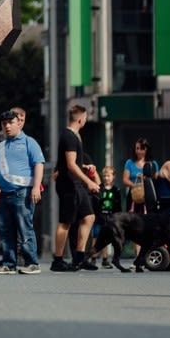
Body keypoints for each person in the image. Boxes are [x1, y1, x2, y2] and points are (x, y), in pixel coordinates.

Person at [0, 107, 44, 274]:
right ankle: (9, 264)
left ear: (19, 123)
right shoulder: (0, 147)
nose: (7, 126)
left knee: (24, 228)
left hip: (23, 192)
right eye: (4, 123)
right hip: (4, 194)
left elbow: (39, 164)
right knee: (5, 230)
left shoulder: (29, 142)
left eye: (10, 122)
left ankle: (32, 263)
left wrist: (36, 187)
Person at [52, 102, 101, 271]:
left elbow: (74, 163)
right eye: (85, 118)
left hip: (77, 184)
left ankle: (80, 257)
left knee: (89, 217)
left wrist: (85, 167)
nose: (86, 120)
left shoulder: (75, 136)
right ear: (80, 119)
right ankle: (57, 260)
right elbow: (71, 165)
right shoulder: (69, 137)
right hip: (69, 185)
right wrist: (89, 181)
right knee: (65, 222)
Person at [94, 166, 120, 267]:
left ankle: (105, 259)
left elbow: (118, 206)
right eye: (104, 176)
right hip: (99, 217)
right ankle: (93, 257)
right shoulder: (99, 188)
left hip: (111, 218)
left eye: (108, 176)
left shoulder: (116, 190)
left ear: (113, 176)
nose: (106, 178)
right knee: (96, 237)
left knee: (107, 238)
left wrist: (118, 217)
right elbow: (96, 203)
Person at [123, 138, 155, 213]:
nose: (138, 151)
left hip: (148, 196)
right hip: (133, 195)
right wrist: (135, 186)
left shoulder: (152, 164)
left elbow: (155, 179)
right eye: (137, 148)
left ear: (146, 149)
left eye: (141, 148)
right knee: (132, 217)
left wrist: (144, 178)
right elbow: (125, 180)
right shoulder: (129, 162)